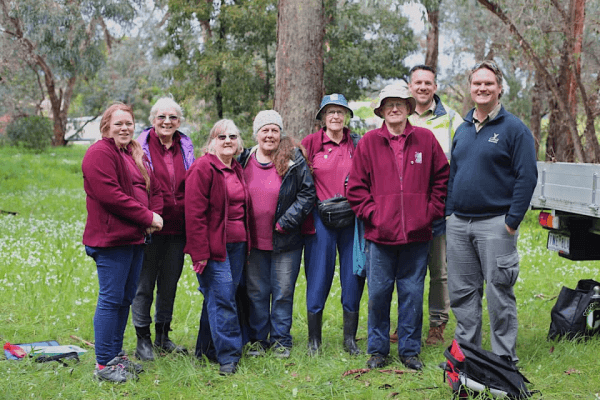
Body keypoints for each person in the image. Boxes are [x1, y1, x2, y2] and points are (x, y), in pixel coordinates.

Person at [346, 82, 449, 371]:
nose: (395, 108)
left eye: (400, 103)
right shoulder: (368, 142)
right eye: (389, 104)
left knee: (412, 294)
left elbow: (442, 178)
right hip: (380, 237)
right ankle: (378, 350)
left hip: (417, 236)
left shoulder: (426, 140)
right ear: (381, 110)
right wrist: (374, 215)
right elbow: (355, 188)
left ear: (408, 108)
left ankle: (409, 350)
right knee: (378, 294)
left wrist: (429, 212)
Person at [445, 60, 537, 364]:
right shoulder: (462, 129)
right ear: (471, 89)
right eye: (477, 84)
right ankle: (467, 355)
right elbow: (453, 174)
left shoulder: (514, 129)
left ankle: (502, 358)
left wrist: (511, 222)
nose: (482, 88)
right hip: (459, 224)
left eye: (488, 84)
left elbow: (527, 177)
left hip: (496, 225)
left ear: (499, 89)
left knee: (499, 292)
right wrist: (449, 213)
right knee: (462, 293)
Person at [82, 103, 164, 382]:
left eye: (129, 123)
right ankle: (104, 365)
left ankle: (116, 356)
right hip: (110, 241)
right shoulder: (99, 153)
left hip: (133, 239)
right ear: (106, 126)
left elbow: (147, 187)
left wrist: (152, 215)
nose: (125, 128)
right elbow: (112, 196)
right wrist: (147, 216)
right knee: (111, 299)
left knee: (125, 299)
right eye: (118, 123)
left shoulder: (129, 153)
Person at [239, 110, 316, 358]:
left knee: (282, 293)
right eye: (265, 130)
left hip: (286, 241)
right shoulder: (244, 158)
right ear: (257, 134)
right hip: (254, 241)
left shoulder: (293, 159)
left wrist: (286, 222)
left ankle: (281, 340)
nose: (270, 135)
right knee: (257, 293)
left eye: (274, 130)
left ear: (280, 133)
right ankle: (259, 340)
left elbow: (307, 194)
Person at [301, 94, 365, 356]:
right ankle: (314, 340)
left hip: (351, 219)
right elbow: (300, 182)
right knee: (318, 276)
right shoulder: (311, 143)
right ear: (322, 117)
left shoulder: (358, 143)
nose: (336, 116)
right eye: (330, 112)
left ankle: (350, 339)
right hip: (321, 218)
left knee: (353, 276)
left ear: (346, 115)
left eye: (340, 111)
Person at [131, 97, 195, 361]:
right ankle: (142, 340)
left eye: (173, 118)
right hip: (149, 227)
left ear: (179, 122)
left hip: (179, 228)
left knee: (169, 285)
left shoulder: (185, 145)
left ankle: (162, 336)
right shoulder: (139, 146)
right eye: (162, 117)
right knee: (144, 285)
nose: (167, 122)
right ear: (152, 120)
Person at [184, 119, 249, 375]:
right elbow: (194, 214)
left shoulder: (236, 168)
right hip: (214, 248)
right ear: (212, 141)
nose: (227, 141)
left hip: (237, 245)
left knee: (217, 297)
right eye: (221, 136)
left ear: (239, 142)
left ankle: (205, 349)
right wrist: (200, 252)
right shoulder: (203, 168)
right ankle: (229, 357)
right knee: (223, 299)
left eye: (232, 136)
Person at [406, 65, 462, 345]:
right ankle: (408, 322)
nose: (423, 87)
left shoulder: (452, 119)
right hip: (405, 207)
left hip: (440, 204)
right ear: (410, 86)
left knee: (439, 270)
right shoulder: (399, 115)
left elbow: (464, 159)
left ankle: (437, 324)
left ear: (435, 87)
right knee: (407, 268)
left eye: (428, 83)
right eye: (418, 82)